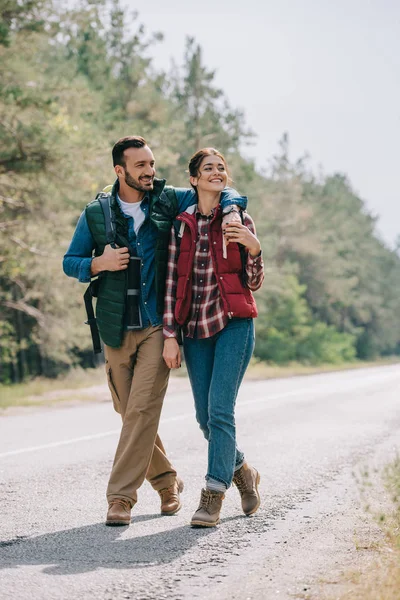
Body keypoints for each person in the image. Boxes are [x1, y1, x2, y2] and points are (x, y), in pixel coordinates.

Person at [63, 136, 246, 526]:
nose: (149, 171)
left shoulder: (167, 199)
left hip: (156, 326)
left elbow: (218, 187)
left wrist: (231, 209)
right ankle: (168, 482)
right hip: (113, 327)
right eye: (141, 166)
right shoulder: (96, 213)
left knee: (142, 410)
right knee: (130, 413)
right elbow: (70, 261)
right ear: (120, 170)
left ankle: (120, 499)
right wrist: (98, 263)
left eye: (151, 164)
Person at [163, 147, 264, 527]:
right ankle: (243, 471)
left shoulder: (240, 218)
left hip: (234, 324)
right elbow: (172, 284)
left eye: (221, 168)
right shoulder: (181, 224)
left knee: (221, 410)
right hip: (195, 330)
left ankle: (213, 495)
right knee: (205, 418)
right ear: (194, 179)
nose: (216, 172)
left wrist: (254, 248)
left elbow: (253, 283)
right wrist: (170, 335)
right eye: (208, 168)